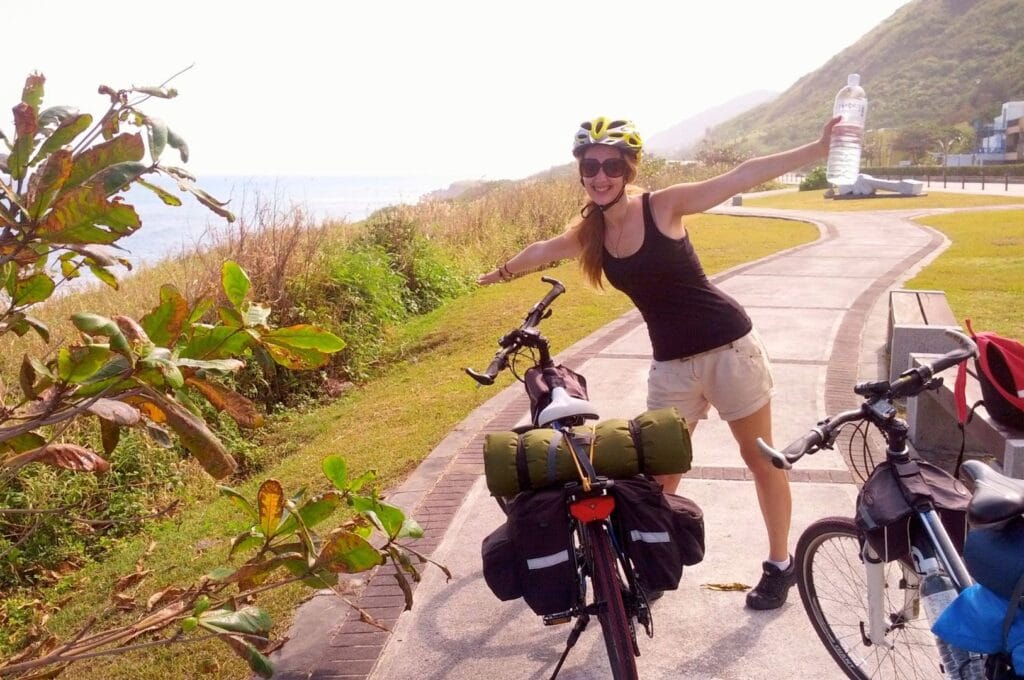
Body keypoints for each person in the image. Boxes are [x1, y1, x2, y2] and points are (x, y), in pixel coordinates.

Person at [478, 115, 840, 610]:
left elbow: (741, 175)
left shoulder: (663, 206)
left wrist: (817, 149)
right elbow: (543, 249)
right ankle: (649, 567)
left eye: (611, 165)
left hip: (729, 348)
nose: (600, 175)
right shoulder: (591, 234)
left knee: (759, 458)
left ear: (628, 169)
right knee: (653, 480)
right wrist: (501, 273)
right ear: (581, 173)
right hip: (671, 365)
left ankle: (780, 565)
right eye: (591, 166)